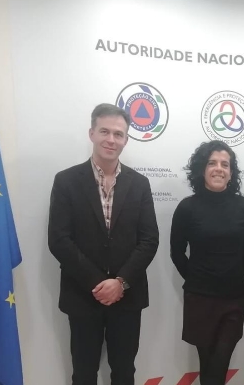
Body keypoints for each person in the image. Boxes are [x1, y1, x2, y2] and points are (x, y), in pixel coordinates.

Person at [48, 103, 159, 385]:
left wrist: (120, 282)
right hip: (83, 296)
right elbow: (59, 239)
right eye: (105, 131)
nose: (111, 139)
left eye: (118, 134)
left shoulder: (140, 184)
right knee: (83, 373)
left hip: (127, 296)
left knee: (124, 372)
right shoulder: (66, 181)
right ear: (92, 133)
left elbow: (149, 240)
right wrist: (99, 283)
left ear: (126, 139)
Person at [170, 140, 244, 385]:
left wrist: (229, 277)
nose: (219, 168)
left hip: (233, 299)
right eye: (212, 163)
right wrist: (198, 278)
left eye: (224, 164)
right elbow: (177, 253)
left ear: (231, 172)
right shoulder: (187, 208)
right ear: (202, 169)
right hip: (200, 298)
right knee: (207, 365)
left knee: (219, 364)